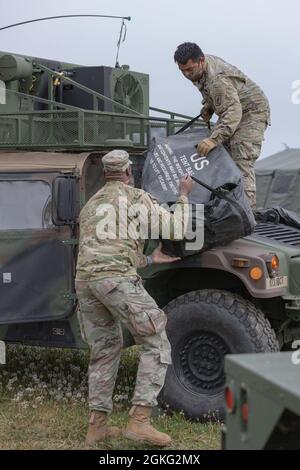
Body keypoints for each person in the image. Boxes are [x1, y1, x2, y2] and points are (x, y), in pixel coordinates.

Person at [75, 149, 194, 447]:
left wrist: (148, 260)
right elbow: (177, 229)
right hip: (116, 280)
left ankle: (97, 427)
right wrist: (183, 195)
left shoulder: (90, 205)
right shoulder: (137, 198)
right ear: (129, 172)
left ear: (105, 174)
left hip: (86, 282)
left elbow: (104, 249)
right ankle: (139, 421)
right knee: (155, 340)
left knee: (105, 348)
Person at [174, 42, 271, 210]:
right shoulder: (200, 70)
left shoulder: (217, 79)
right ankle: (227, 208)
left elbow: (233, 111)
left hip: (251, 114)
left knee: (241, 160)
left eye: (190, 70)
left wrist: (214, 139)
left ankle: (248, 214)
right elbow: (219, 96)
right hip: (234, 111)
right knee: (223, 159)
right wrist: (209, 106)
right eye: (183, 71)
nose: (187, 75)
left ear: (201, 61)